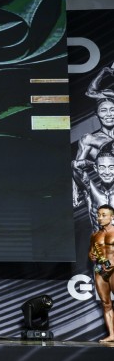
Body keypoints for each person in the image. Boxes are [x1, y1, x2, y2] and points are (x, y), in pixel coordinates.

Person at [72, 144, 114, 231]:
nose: (107, 172)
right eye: (102, 168)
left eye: (111, 167)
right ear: (96, 168)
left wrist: (99, 165)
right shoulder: (90, 190)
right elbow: (75, 165)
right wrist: (95, 163)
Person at [88, 204, 114, 342]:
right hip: (100, 270)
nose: (100, 218)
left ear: (112, 217)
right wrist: (91, 255)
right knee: (106, 303)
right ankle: (112, 335)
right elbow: (91, 252)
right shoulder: (95, 235)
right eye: (98, 215)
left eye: (104, 215)